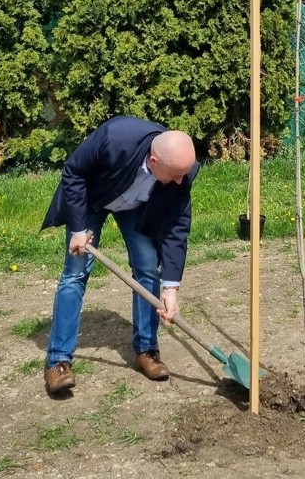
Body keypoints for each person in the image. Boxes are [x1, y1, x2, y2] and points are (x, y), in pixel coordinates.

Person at [40, 116, 199, 396]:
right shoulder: (115, 138)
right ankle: (58, 361)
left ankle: (147, 350)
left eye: (183, 175)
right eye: (174, 174)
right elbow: (74, 172)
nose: (180, 181)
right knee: (75, 272)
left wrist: (172, 287)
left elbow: (177, 228)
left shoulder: (182, 170)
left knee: (148, 268)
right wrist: (78, 228)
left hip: (136, 205)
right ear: (153, 162)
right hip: (93, 199)